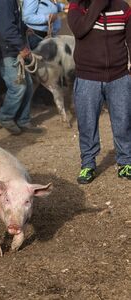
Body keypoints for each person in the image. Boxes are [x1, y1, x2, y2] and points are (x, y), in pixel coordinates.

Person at [67, 0, 131, 184]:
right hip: (88, 77)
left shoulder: (123, 8)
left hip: (119, 76)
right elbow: (80, 30)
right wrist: (99, 3)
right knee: (87, 124)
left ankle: (126, 162)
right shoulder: (76, 6)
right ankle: (88, 164)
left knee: (124, 120)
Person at [0, 0, 43, 135]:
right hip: (5, 50)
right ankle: (4, 116)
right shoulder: (4, 2)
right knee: (18, 87)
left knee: (28, 84)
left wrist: (24, 28)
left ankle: (23, 120)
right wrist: (21, 47)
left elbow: (12, 20)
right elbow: (6, 28)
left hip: (9, 48)